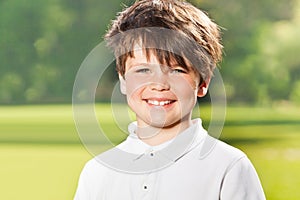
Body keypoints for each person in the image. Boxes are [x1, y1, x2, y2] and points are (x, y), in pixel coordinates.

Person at [74, 0, 266, 199]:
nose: (159, 84)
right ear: (123, 79)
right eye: (143, 70)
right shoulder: (97, 173)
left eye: (176, 70)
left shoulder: (229, 167)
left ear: (203, 83)